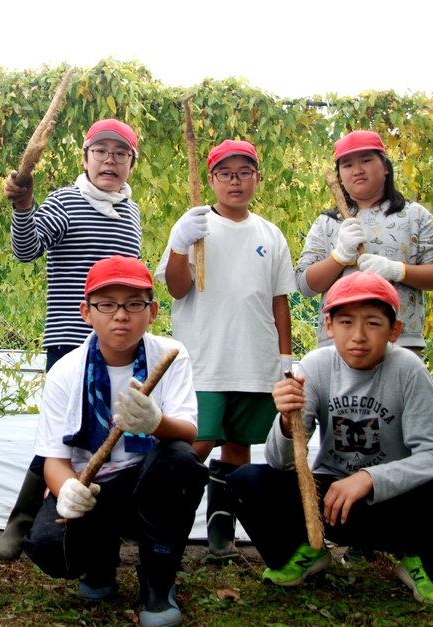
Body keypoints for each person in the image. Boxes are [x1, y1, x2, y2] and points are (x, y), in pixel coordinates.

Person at [228, 272, 433, 608]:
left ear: (394, 331)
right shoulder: (315, 367)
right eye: (346, 322)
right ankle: (304, 551)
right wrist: (286, 421)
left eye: (373, 323)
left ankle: (425, 565)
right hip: (330, 507)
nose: (358, 336)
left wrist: (370, 478)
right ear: (329, 326)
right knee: (246, 481)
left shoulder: (408, 370)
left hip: (397, 505)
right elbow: (278, 463)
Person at [0, 119, 143, 560]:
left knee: (107, 434)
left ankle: (96, 525)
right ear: (86, 158)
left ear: (131, 162)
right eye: (101, 151)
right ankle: (20, 526)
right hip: (72, 339)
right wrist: (23, 208)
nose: (109, 160)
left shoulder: (131, 211)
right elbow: (26, 248)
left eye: (120, 153)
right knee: (62, 434)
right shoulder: (65, 201)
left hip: (118, 345)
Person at [23, 255, 208, 627]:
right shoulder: (66, 372)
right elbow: (54, 460)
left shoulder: (171, 355)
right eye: (106, 305)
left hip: (146, 481)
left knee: (180, 463)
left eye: (134, 304)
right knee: (49, 547)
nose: (120, 315)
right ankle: (99, 560)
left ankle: (158, 581)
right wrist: (68, 490)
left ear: (153, 311)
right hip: (95, 486)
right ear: (86, 312)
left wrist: (155, 423)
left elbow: (188, 434)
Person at [154, 139, 296, 558]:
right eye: (225, 173)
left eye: (244, 172)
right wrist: (180, 244)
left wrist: (285, 360)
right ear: (211, 179)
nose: (235, 181)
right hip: (205, 358)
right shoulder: (195, 225)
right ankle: (164, 523)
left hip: (255, 360)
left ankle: (221, 533)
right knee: (196, 443)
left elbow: (279, 301)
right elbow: (177, 289)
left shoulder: (270, 234)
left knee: (238, 445)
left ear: (257, 178)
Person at [295, 130, 433, 355]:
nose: (357, 170)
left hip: (399, 343)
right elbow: (305, 285)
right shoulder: (327, 223)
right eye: (347, 165)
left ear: (385, 167)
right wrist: (338, 257)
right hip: (337, 346)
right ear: (339, 175)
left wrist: (397, 270)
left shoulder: (414, 216)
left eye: (366, 160)